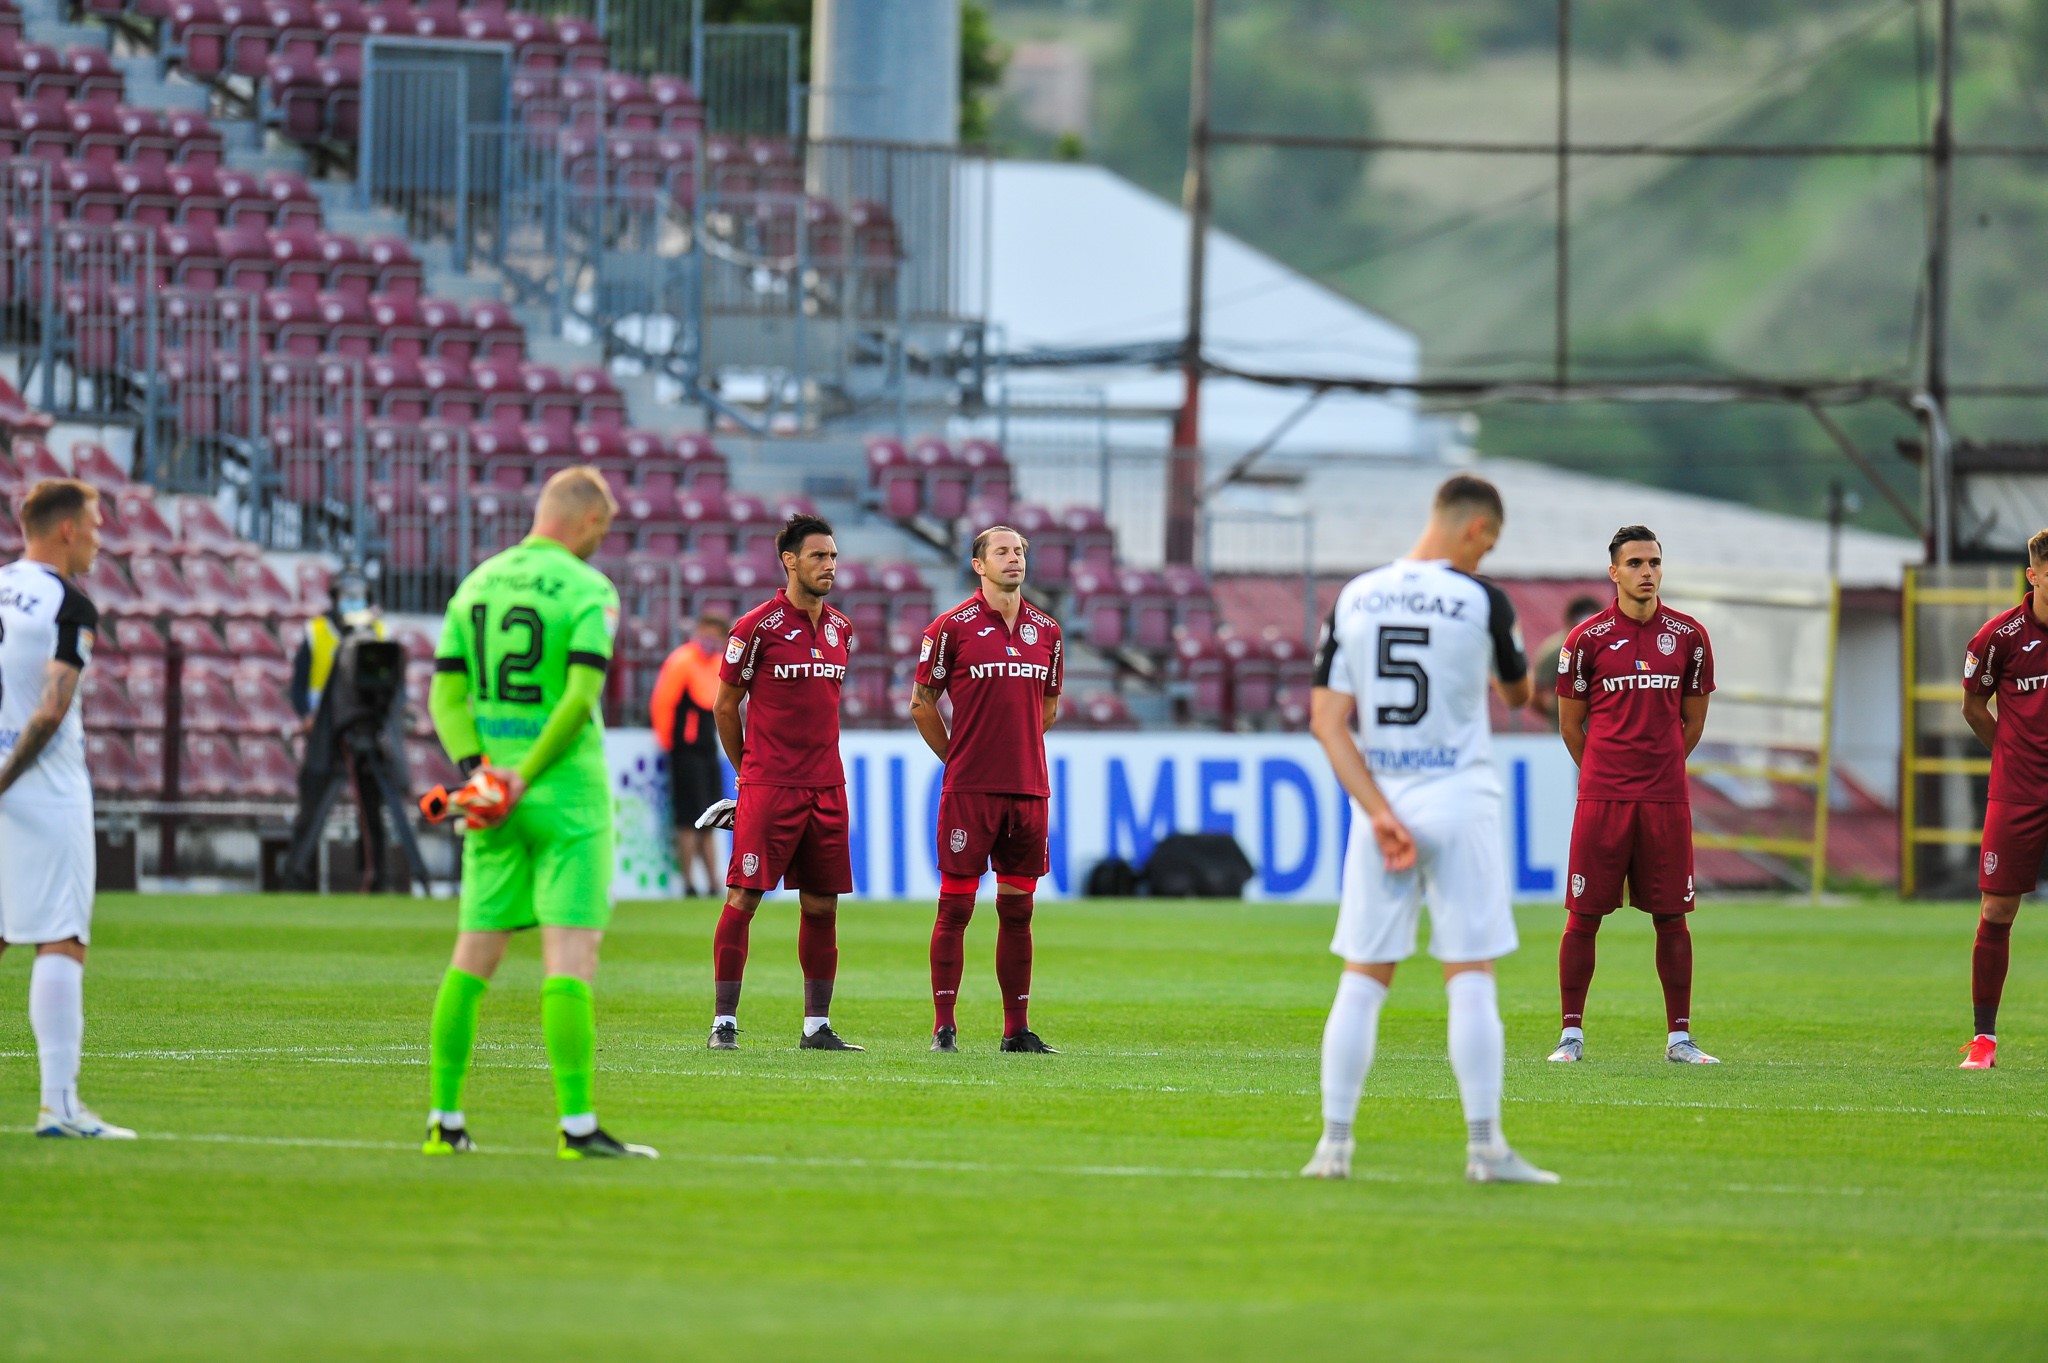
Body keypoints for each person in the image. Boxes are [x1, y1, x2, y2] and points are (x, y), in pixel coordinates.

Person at [1301, 474, 1554, 1185]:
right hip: (1460, 796)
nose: (1488, 557)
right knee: (1470, 974)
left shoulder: (1355, 596)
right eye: (1491, 544)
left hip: (1385, 803)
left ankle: (1334, 1146)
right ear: (1476, 529)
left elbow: (1326, 720)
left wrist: (1379, 813)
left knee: (1363, 977)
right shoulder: (1482, 601)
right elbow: (1515, 693)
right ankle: (1486, 1149)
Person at [420, 467, 655, 1159]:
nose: (600, 542)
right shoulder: (588, 590)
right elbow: (581, 696)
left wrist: (480, 773)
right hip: (566, 796)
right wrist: (525, 776)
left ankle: (444, 1119)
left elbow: (444, 698)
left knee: (472, 957)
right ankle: (577, 1126)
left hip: (490, 798)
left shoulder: (478, 583)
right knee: (571, 957)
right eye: (602, 530)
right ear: (584, 520)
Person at [1549, 525, 1717, 1066]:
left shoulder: (1689, 637)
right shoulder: (1586, 640)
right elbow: (1572, 728)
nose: (1648, 571)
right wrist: (1607, 771)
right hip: (1603, 799)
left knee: (1672, 917)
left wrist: (1658, 766)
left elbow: (1692, 724)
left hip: (1666, 799)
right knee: (1584, 916)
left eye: (1655, 562)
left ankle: (1680, 1039)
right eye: (1637, 563)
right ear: (1614, 572)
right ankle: (1571, 1037)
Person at [0, 479, 132, 1138]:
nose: (100, 537)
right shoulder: (68, 604)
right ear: (65, 530)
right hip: (41, 789)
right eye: (95, 524)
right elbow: (51, 709)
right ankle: (60, 1104)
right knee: (61, 935)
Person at [706, 515, 861, 1052]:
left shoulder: (841, 629)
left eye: (834, 556)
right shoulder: (756, 627)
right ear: (790, 561)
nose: (830, 566)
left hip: (827, 787)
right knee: (744, 896)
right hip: (770, 786)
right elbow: (725, 706)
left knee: (822, 906)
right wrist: (747, 772)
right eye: (819, 556)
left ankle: (816, 1026)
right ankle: (723, 1022)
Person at [912, 525, 1063, 1054]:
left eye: (1020, 550)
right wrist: (960, 756)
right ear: (979, 565)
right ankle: (944, 1025)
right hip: (970, 790)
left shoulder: (1048, 630)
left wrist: (1014, 744)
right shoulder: (950, 628)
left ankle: (1015, 1029)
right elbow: (921, 702)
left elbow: (1048, 704)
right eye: (1002, 551)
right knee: (955, 907)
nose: (1014, 558)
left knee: (1018, 911)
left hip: (1027, 790)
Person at [1956, 528, 2048, 1070]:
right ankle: (1984, 1042)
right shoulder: (2000, 637)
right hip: (2018, 791)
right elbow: (1972, 705)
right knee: (1997, 908)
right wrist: (2010, 755)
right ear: (2033, 576)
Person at [286, 569, 400, 891]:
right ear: (335, 599)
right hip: (323, 733)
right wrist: (306, 716)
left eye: (358, 595)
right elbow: (298, 685)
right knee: (312, 808)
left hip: (365, 727)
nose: (352, 602)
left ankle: (375, 877)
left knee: (371, 808)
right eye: (346, 596)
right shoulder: (316, 632)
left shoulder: (379, 632)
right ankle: (299, 876)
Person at [649, 610, 729, 897]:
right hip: (685, 750)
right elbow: (663, 703)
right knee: (687, 820)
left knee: (709, 818)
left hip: (708, 750)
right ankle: (688, 883)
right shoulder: (682, 661)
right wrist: (669, 743)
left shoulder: (718, 664)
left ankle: (711, 882)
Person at [1528, 594, 1604, 728]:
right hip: (1562, 735)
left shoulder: (1612, 648)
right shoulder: (1555, 652)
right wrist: (1556, 712)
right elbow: (1536, 694)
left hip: (1602, 730)